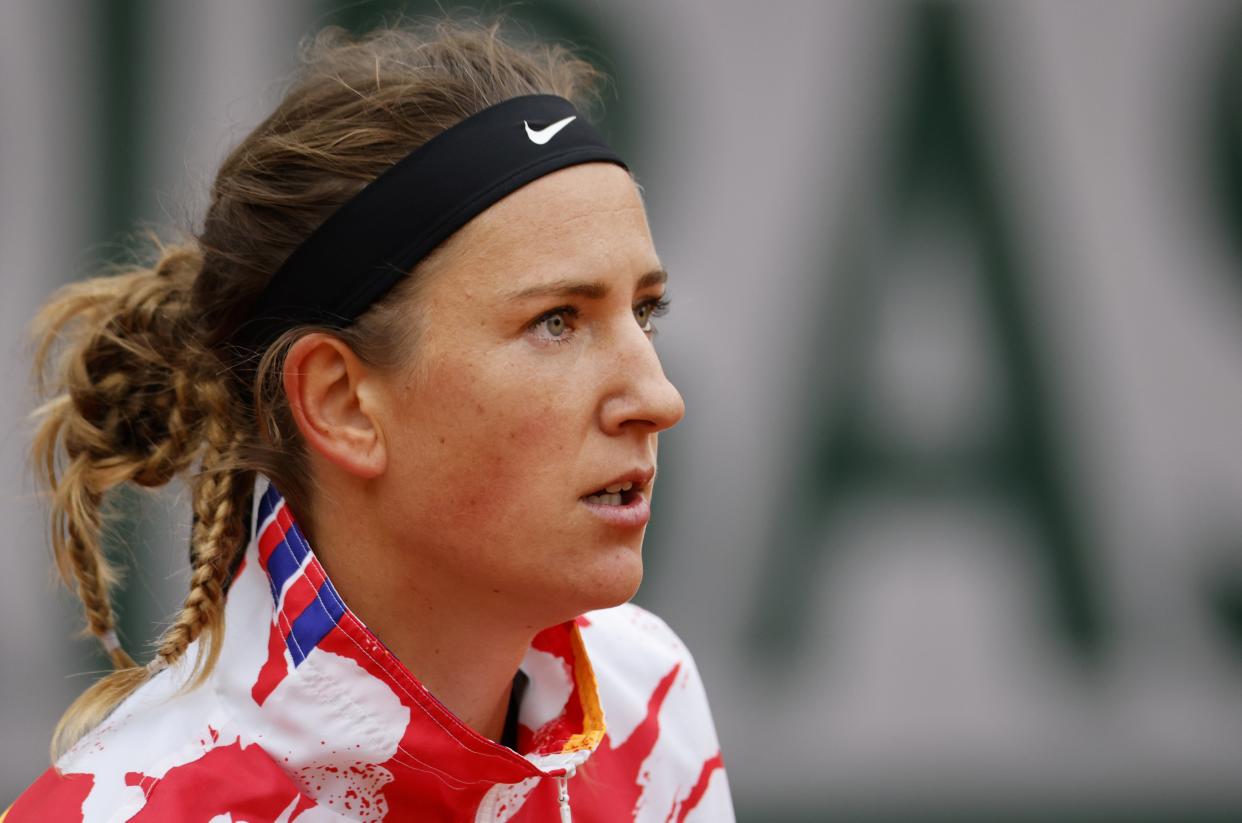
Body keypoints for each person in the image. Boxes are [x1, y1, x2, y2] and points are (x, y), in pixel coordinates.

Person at [4, 19, 734, 823]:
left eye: (646, 310)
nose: (659, 398)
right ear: (342, 403)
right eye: (557, 320)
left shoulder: (649, 702)